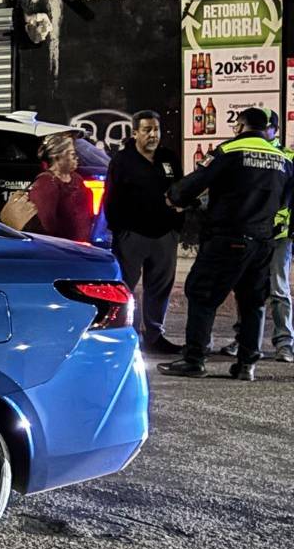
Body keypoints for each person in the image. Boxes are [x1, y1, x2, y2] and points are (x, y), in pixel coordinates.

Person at [158, 107, 294, 381]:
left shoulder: (229, 150)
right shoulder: (284, 160)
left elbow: (193, 184)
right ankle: (247, 365)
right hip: (264, 241)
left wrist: (176, 198)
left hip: (228, 238)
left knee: (202, 294)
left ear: (241, 126)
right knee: (253, 302)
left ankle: (194, 359)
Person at [104, 110, 185, 354]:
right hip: (132, 236)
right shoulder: (122, 161)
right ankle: (128, 335)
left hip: (164, 235)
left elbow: (180, 191)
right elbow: (111, 198)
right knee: (126, 287)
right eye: (147, 130)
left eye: (156, 130)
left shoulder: (168, 158)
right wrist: (120, 231)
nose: (153, 135)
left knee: (159, 287)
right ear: (135, 133)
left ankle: (154, 335)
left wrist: (176, 227)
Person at [218, 110, 294, 362]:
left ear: (275, 130)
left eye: (266, 128)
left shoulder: (287, 157)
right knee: (246, 289)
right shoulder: (243, 152)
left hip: (278, 236)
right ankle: (243, 341)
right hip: (252, 234)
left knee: (278, 289)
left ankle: (285, 343)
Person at [26, 133, 93, 242]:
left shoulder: (77, 179)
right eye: (72, 154)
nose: (76, 157)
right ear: (58, 157)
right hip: (59, 249)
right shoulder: (46, 184)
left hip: (79, 247)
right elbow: (47, 226)